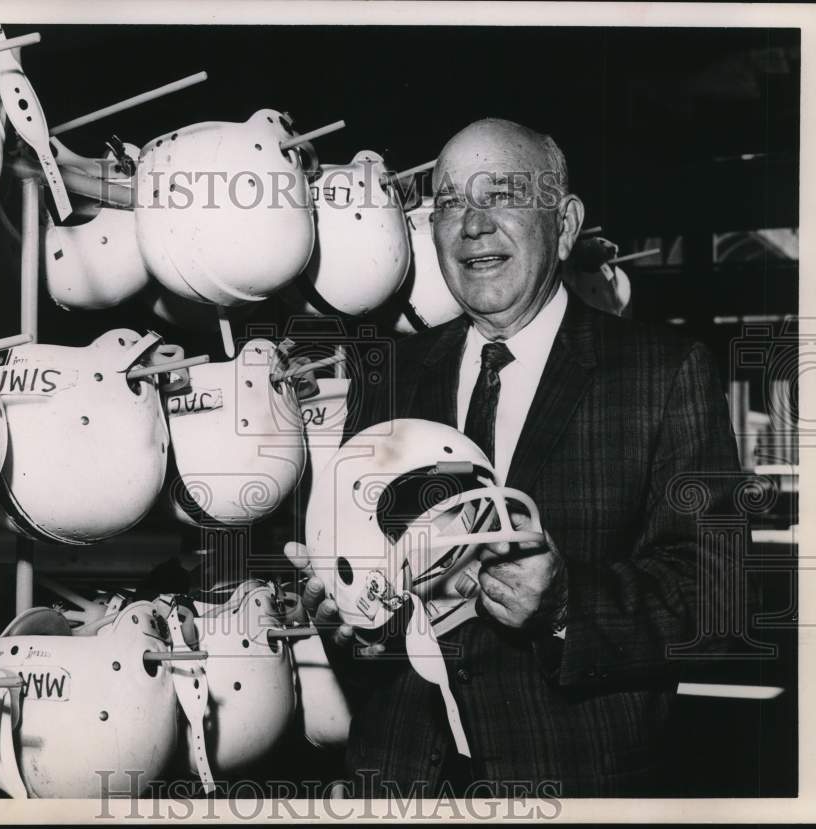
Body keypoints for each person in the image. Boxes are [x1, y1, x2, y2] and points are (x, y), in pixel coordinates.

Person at [286, 118, 741, 796]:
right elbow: (377, 604)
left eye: (501, 194)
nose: (471, 225)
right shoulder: (389, 376)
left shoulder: (662, 373)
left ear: (563, 224)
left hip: (574, 788)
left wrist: (566, 603)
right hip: (399, 787)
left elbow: (721, 598)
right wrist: (354, 627)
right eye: (448, 202)